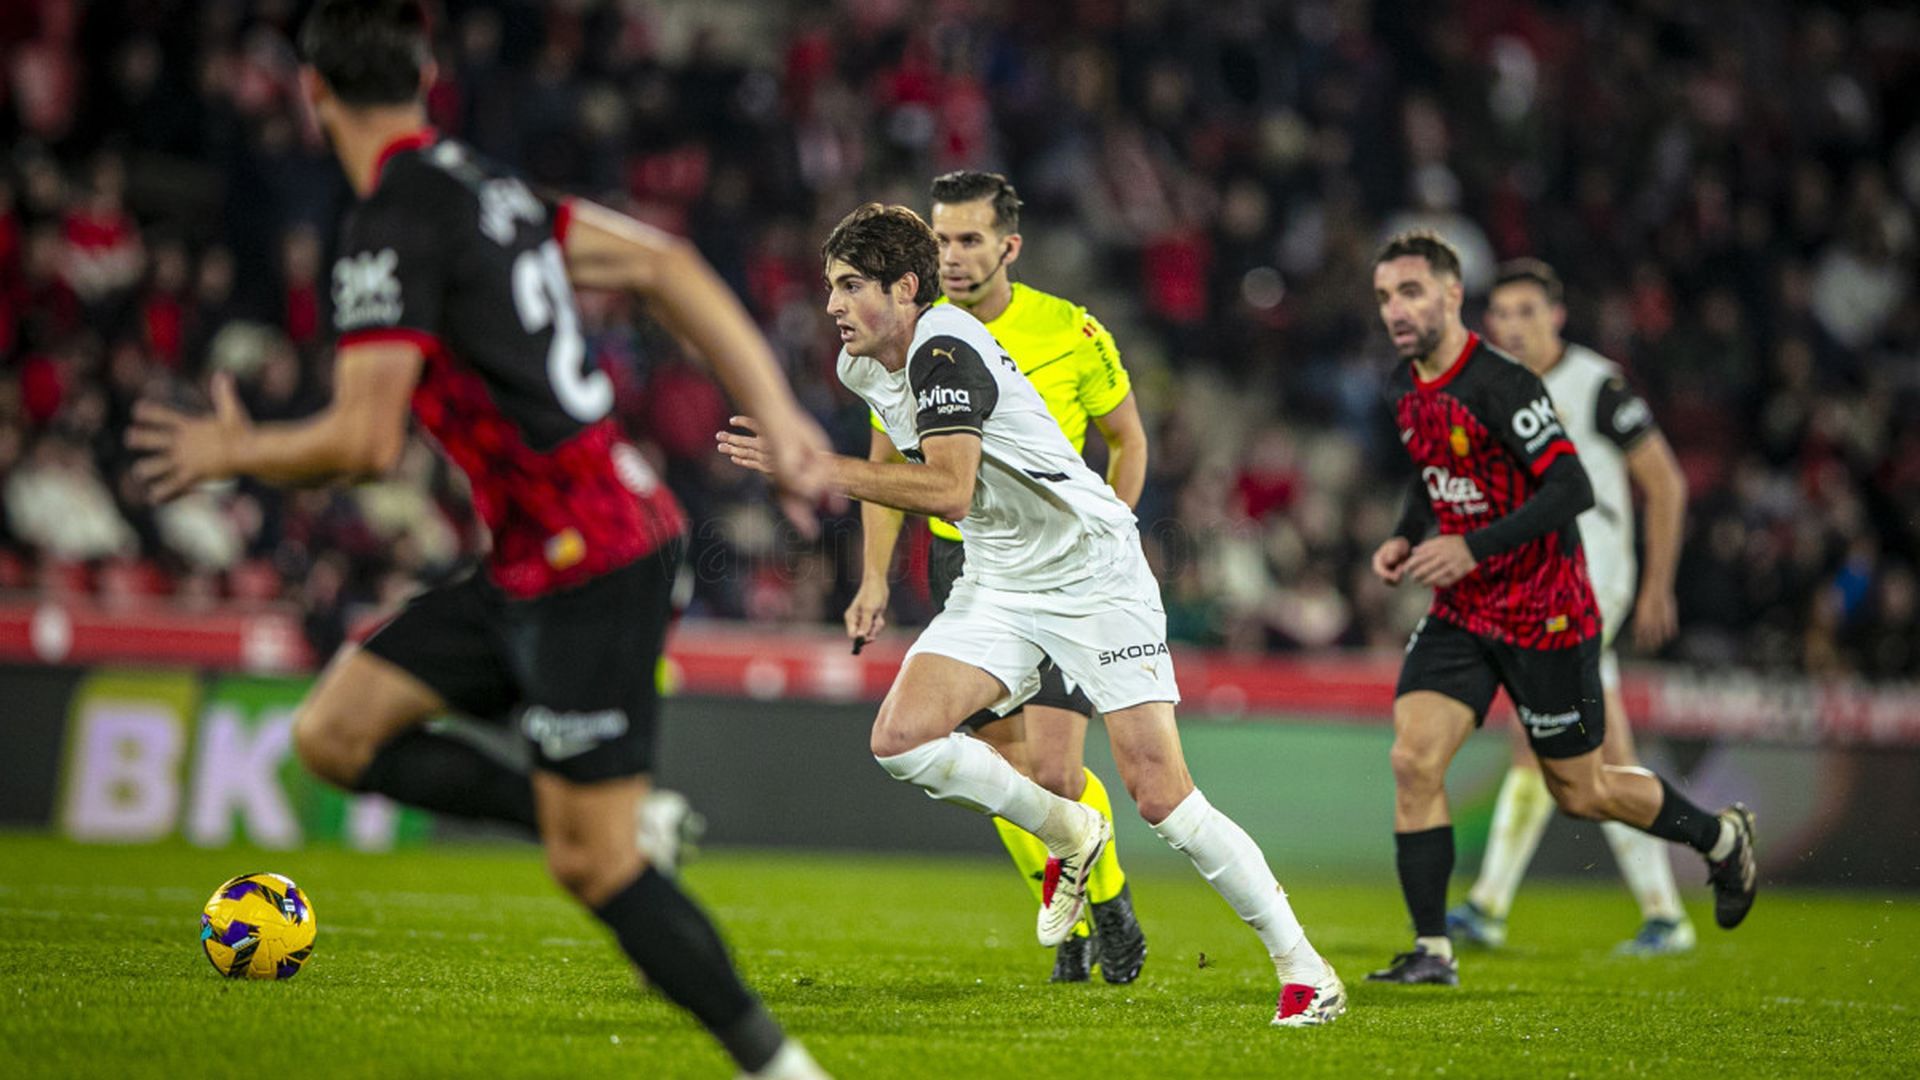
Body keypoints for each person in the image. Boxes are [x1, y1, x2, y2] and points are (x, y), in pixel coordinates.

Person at [126, 3, 830, 1076]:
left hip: (592, 555)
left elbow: (365, 442)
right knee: (333, 738)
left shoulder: (392, 218)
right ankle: (627, 824)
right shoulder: (489, 190)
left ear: (315, 96)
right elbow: (668, 263)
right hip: (534, 554)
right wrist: (782, 420)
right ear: (425, 77)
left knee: (588, 867)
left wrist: (236, 451)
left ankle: (782, 1068)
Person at [719, 203, 1345, 1026]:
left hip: (1093, 574)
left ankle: (1307, 969)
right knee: (899, 740)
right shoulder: (863, 367)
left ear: (906, 288)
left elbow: (946, 488)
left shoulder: (946, 345)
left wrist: (812, 467)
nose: (831, 304)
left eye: (850, 286)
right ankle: (1072, 831)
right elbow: (918, 478)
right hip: (1001, 575)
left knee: (1160, 795)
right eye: (829, 285)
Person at [1364, 230, 1756, 987]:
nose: (1395, 309)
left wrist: (1472, 546)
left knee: (1583, 790)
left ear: (1451, 296)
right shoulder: (1401, 385)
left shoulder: (1505, 384)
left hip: (1548, 610)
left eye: (1410, 291)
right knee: (1413, 759)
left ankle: (1719, 837)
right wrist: (1404, 534)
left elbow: (1572, 490)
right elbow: (1433, 469)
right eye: (1384, 296)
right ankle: (1432, 950)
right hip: (1466, 610)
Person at [844, 171, 1149, 984]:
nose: (951, 254)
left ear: (1008, 245)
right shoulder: (899, 339)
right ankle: (1078, 918)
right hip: (966, 565)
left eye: (969, 238)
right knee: (1007, 772)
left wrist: (1107, 542)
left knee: (1053, 770)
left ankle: (1107, 897)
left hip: (1061, 567)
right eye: (939, 238)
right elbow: (885, 468)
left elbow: (1127, 438)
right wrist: (873, 578)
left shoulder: (1070, 331)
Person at [1448, 259, 1697, 956]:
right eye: (1503, 314)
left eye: (1529, 311)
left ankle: (1489, 903)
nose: (1515, 326)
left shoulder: (1597, 386)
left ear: (1556, 315)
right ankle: (1665, 912)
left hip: (1599, 576)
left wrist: (1656, 586)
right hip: (1539, 581)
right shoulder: (1496, 393)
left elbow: (1666, 485)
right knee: (1597, 745)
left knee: (1542, 733)